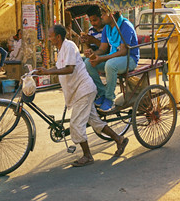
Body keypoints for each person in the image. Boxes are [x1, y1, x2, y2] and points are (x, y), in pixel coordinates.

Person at [39, 25, 128, 167]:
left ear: (58, 37)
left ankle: (87, 155)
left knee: (75, 124)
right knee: (95, 121)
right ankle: (119, 139)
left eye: (50, 36)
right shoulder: (61, 49)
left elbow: (69, 69)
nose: (49, 39)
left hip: (84, 91)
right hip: (79, 92)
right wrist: (45, 71)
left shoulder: (69, 46)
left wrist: (49, 73)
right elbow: (58, 67)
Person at [84, 10, 139, 113]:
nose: (102, 16)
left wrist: (101, 58)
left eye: (103, 14)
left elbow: (123, 51)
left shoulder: (125, 26)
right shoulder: (107, 28)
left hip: (129, 58)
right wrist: (93, 54)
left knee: (110, 65)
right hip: (113, 57)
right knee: (88, 63)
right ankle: (102, 93)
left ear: (112, 14)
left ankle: (110, 99)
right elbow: (103, 49)